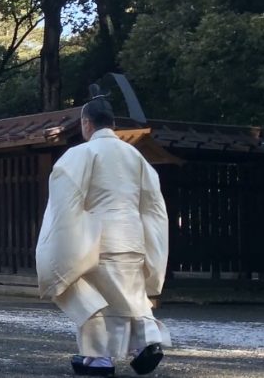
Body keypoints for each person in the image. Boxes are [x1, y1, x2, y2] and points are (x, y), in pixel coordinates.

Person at [36, 86, 170, 377]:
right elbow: (153, 206)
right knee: (130, 296)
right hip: (133, 236)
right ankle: (144, 342)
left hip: (96, 238)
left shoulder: (81, 154)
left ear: (86, 124)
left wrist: (59, 244)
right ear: (113, 124)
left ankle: (99, 359)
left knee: (91, 297)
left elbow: (65, 202)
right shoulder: (136, 158)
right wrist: (154, 242)